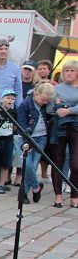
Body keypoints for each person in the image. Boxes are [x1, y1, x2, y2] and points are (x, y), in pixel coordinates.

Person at [16, 82, 54, 204]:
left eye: (47, 100)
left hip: (41, 137)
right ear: (36, 93)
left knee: (33, 164)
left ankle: (23, 194)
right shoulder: (25, 104)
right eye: (43, 99)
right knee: (27, 165)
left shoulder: (45, 105)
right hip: (27, 138)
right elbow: (21, 123)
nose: (45, 102)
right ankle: (36, 187)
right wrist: (26, 139)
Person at [49, 60, 78, 208]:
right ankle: (58, 196)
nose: (69, 73)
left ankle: (74, 195)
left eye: (72, 70)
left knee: (75, 163)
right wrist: (61, 107)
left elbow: (61, 108)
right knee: (57, 161)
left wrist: (66, 109)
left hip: (76, 129)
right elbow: (50, 108)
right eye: (66, 70)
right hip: (59, 129)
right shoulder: (56, 89)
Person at [0, 38, 22, 106]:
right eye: (0, 49)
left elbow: (18, 90)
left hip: (7, 108)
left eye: (6, 49)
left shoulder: (15, 69)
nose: (3, 51)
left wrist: (19, 109)